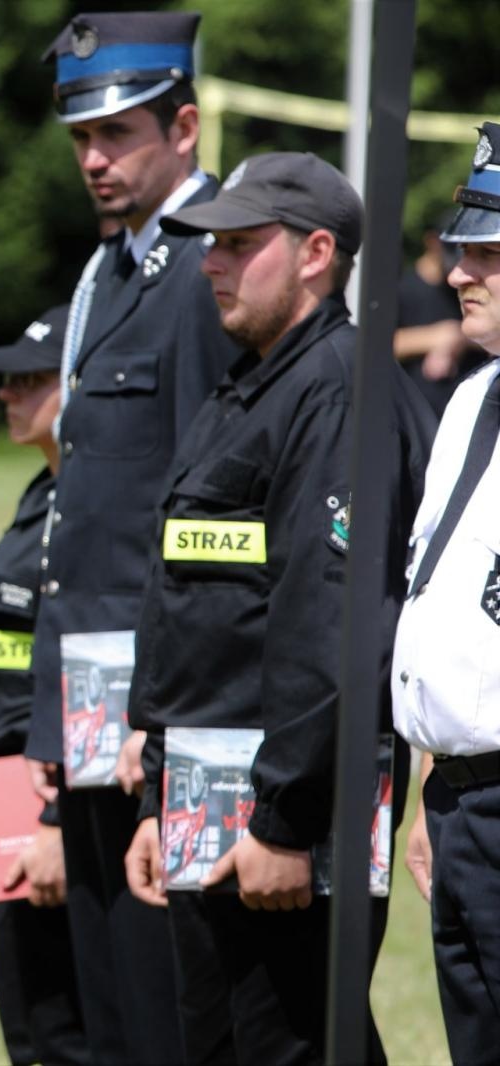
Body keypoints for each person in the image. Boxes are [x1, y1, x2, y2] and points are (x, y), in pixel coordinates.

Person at [120, 151, 433, 1063]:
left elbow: (329, 617)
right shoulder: (254, 380)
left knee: (289, 1043)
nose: (211, 261)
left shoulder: (337, 389)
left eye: (239, 243)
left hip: (279, 821)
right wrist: (158, 797)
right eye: (210, 243)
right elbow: (198, 606)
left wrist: (285, 823)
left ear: (315, 253)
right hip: (208, 801)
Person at [27, 13, 242, 1062]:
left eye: (117, 135)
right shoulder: (108, 272)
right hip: (89, 703)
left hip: (152, 712)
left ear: (186, 127)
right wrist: (44, 730)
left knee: (167, 1008)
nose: (94, 159)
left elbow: (203, 518)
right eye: (80, 140)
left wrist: (161, 714)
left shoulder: (210, 270)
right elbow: (79, 526)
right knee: (105, 998)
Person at [0, 305, 88, 1066]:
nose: (7, 394)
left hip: (52, 799)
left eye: (30, 379)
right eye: (5, 380)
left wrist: (56, 818)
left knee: (70, 1034)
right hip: (2, 785)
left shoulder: (100, 512)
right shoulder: (42, 492)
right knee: (32, 1033)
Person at [394, 120, 500, 1066]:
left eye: (490, 251)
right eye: (462, 247)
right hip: (462, 802)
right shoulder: (473, 397)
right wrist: (436, 780)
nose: (460, 270)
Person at [393, 214, 485, 416]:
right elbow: (373, 345)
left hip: (463, 413)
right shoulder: (402, 290)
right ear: (432, 242)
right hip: (415, 415)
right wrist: (434, 337)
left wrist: (460, 339)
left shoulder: (468, 288)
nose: (458, 276)